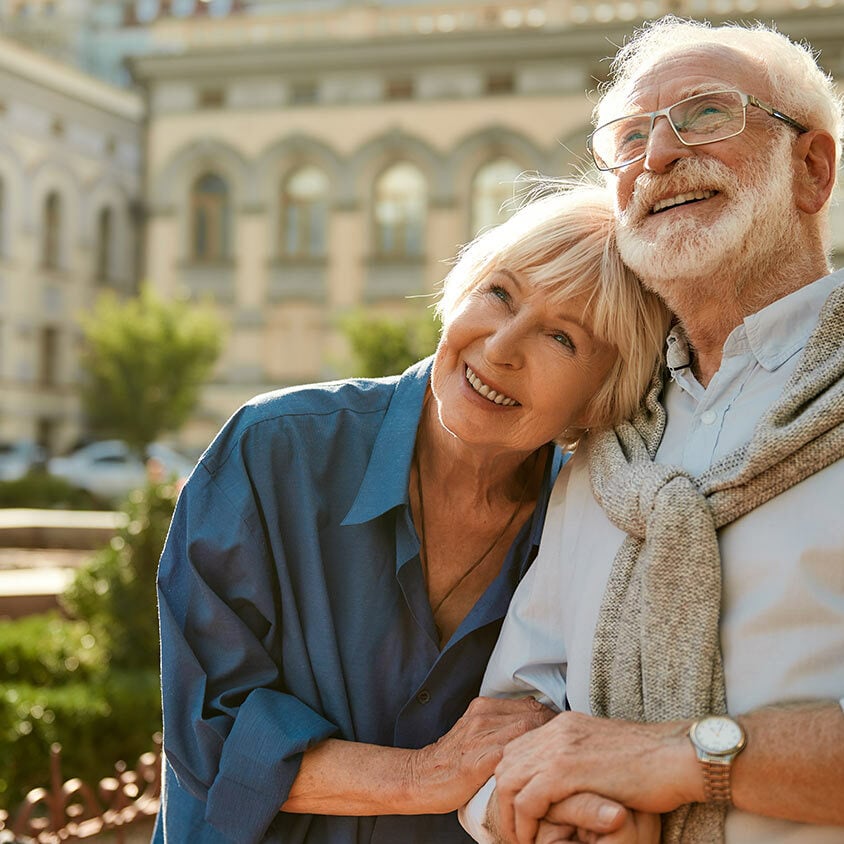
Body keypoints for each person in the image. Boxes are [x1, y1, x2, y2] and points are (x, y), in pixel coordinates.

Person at [152, 184, 671, 843]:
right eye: (500, 294)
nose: (500, 347)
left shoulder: (593, 529)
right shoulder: (273, 450)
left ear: (605, 396)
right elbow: (212, 740)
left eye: (561, 338)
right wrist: (426, 775)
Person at [459, 16, 844, 844]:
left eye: (706, 115)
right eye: (628, 136)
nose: (657, 156)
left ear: (812, 170)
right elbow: (515, 711)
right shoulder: (607, 438)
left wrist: (684, 758)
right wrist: (559, 815)